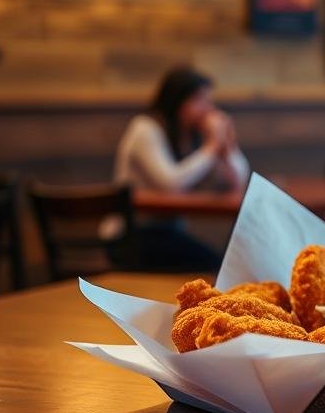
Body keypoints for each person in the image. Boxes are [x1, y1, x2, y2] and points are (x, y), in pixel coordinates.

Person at [106, 66, 249, 270]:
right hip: (132, 235)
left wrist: (228, 146)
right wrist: (211, 147)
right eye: (199, 100)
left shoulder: (191, 135)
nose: (207, 109)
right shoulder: (145, 129)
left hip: (166, 234)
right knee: (214, 267)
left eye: (209, 101)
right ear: (176, 100)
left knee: (219, 265)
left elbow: (237, 181)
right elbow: (171, 184)